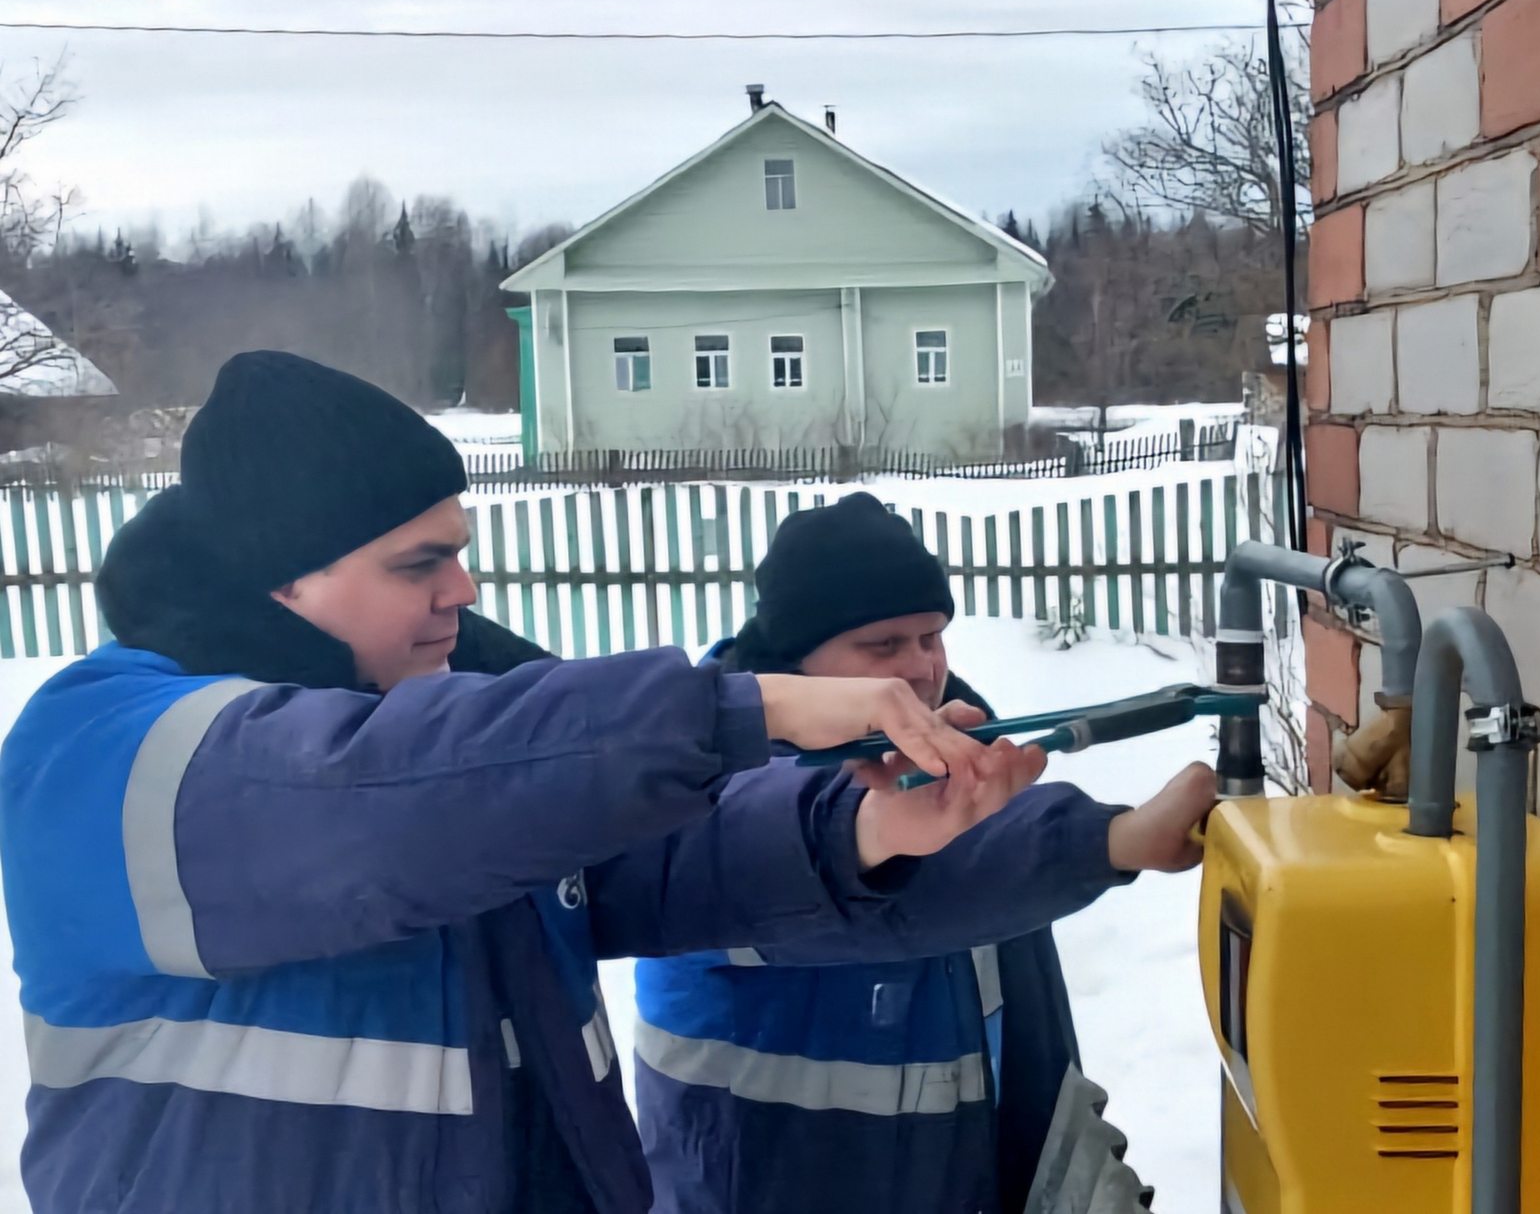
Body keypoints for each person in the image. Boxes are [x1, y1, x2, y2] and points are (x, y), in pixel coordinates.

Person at [0, 352, 1207, 1214]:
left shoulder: (436, 726)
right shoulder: (106, 752)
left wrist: (869, 825)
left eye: (461, 554)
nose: (462, 593)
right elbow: (378, 809)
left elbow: (655, 854)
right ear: (281, 582)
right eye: (420, 563)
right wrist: (754, 705)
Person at [632, 493, 1215, 1214]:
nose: (920, 667)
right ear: (795, 659)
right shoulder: (708, 796)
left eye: (931, 637)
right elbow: (919, 883)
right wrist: (1113, 840)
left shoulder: (953, 772)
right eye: (883, 646)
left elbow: (1028, 1047)